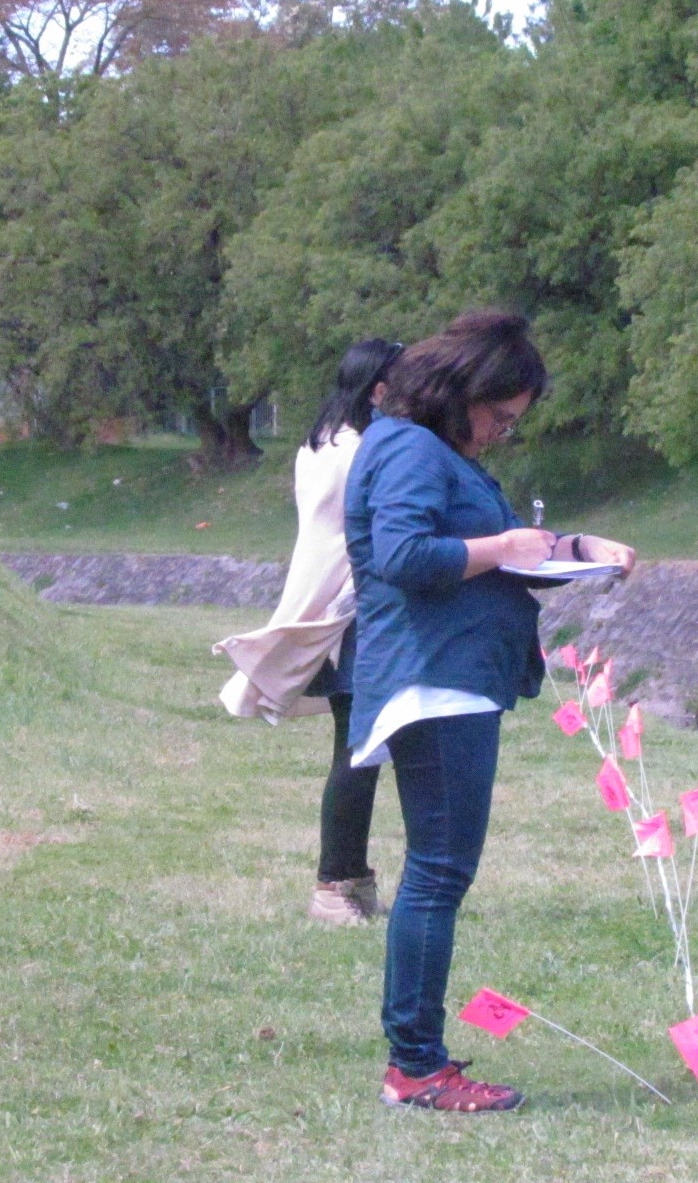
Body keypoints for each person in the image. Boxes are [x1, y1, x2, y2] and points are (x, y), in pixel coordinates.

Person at [343, 310, 637, 1112]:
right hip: (432, 681)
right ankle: (416, 1068)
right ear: (461, 389)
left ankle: (418, 1061)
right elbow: (404, 557)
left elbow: (496, 555)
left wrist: (579, 551)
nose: (503, 433)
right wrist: (503, 550)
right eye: (499, 416)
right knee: (437, 875)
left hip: (457, 677)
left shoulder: (437, 452)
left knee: (440, 873)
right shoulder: (407, 446)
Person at [213, 339, 406, 926]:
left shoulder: (322, 443)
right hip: (353, 611)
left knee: (362, 746)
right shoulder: (362, 451)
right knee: (359, 749)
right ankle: (333, 885)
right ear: (378, 391)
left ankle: (352, 879)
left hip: (343, 606)